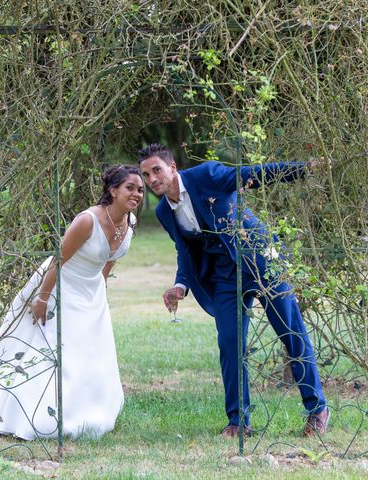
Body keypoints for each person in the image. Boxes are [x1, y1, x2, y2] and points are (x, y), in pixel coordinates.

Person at [0, 165, 144, 440]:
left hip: (91, 293)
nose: (137, 194)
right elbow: (58, 259)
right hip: (61, 286)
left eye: (140, 189)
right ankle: (38, 414)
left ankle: (85, 412)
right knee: (56, 351)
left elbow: (108, 259)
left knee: (90, 353)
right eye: (130, 187)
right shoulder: (88, 221)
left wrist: (101, 289)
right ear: (113, 190)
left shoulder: (130, 223)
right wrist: (43, 297)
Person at [138, 144, 329, 438]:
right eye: (146, 174)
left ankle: (317, 410)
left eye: (156, 170)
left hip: (262, 260)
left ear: (173, 168)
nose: (152, 179)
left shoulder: (207, 175)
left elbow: (255, 174)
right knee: (230, 344)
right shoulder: (165, 211)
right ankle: (239, 422)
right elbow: (184, 250)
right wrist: (180, 284)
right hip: (226, 276)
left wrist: (305, 168)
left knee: (290, 332)